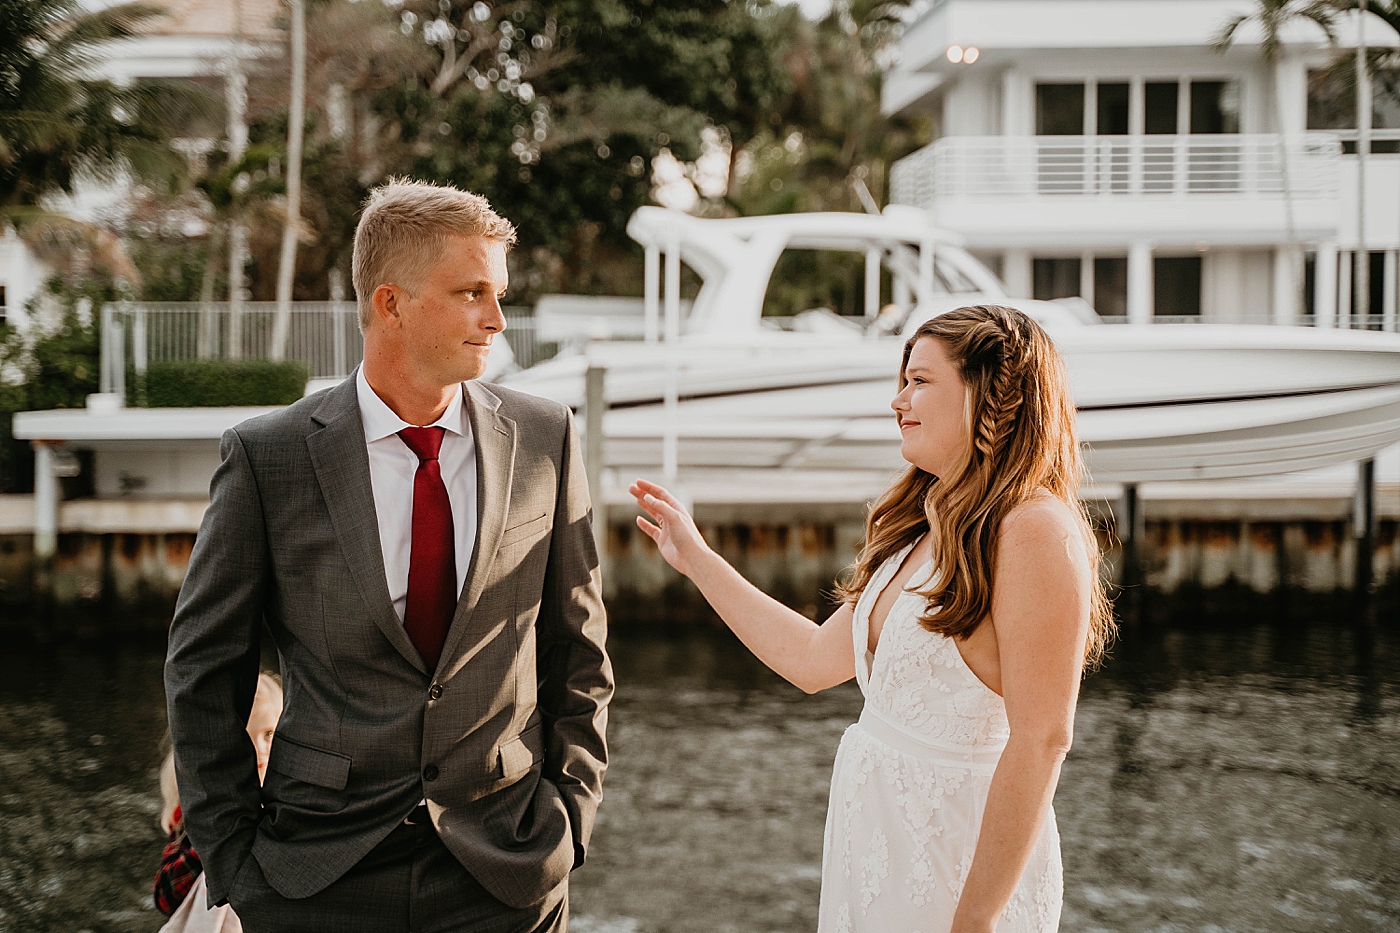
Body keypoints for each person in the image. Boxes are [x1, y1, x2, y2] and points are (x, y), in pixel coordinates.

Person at [165, 180, 613, 933]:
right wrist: (236, 863)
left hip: (504, 871)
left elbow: (579, 647)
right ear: (391, 302)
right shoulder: (267, 457)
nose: (496, 319)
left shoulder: (546, 438)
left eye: (497, 292)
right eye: (473, 292)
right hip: (316, 875)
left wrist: (568, 822)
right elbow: (204, 666)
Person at [630, 305, 1115, 933]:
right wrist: (696, 560)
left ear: (987, 396)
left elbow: (1043, 738)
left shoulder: (1034, 529)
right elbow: (811, 662)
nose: (898, 400)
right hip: (877, 845)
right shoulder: (924, 525)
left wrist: (975, 922)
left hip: (961, 864)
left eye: (920, 381)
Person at [155, 672, 282, 930]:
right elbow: (165, 899)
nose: (259, 749)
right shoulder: (200, 807)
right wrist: (215, 838)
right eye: (245, 736)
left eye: (269, 734)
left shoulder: (288, 799)